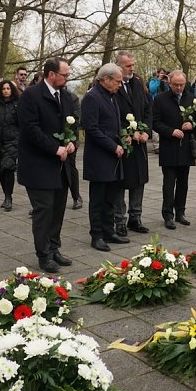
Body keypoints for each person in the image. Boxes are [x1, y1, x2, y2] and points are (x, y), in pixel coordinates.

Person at [17, 57, 77, 273]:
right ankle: (44, 255)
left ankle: (54, 248)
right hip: (38, 165)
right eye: (65, 75)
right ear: (52, 74)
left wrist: (71, 142)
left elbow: (71, 123)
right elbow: (30, 129)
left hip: (60, 165)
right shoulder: (31, 96)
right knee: (44, 210)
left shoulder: (65, 97)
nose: (67, 78)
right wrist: (54, 148)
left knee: (58, 209)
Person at [82, 63, 131, 251]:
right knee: (98, 199)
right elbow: (92, 128)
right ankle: (96, 235)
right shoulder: (92, 98)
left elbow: (112, 123)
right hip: (99, 157)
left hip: (113, 156)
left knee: (111, 197)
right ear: (106, 79)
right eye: (117, 81)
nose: (120, 85)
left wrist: (122, 135)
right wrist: (113, 146)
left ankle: (109, 231)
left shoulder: (111, 96)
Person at [152, 70, 196, 229]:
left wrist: (193, 125)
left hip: (186, 147)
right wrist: (170, 131)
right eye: (176, 85)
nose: (179, 87)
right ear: (169, 82)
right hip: (169, 146)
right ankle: (168, 214)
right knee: (169, 183)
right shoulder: (160, 99)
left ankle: (180, 212)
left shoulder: (191, 99)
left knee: (183, 182)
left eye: (181, 84)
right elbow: (155, 122)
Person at [113, 51, 151, 234]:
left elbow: (148, 109)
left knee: (139, 180)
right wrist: (125, 133)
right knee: (121, 181)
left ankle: (135, 217)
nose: (132, 69)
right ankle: (119, 220)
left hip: (140, 143)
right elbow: (110, 114)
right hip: (124, 142)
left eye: (133, 65)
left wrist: (146, 131)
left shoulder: (138, 83)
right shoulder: (113, 85)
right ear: (118, 66)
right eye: (128, 66)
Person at [64, 86, 84, 210]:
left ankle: (76, 196)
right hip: (51, 139)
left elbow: (76, 118)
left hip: (70, 136)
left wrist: (70, 138)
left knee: (70, 166)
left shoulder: (72, 98)